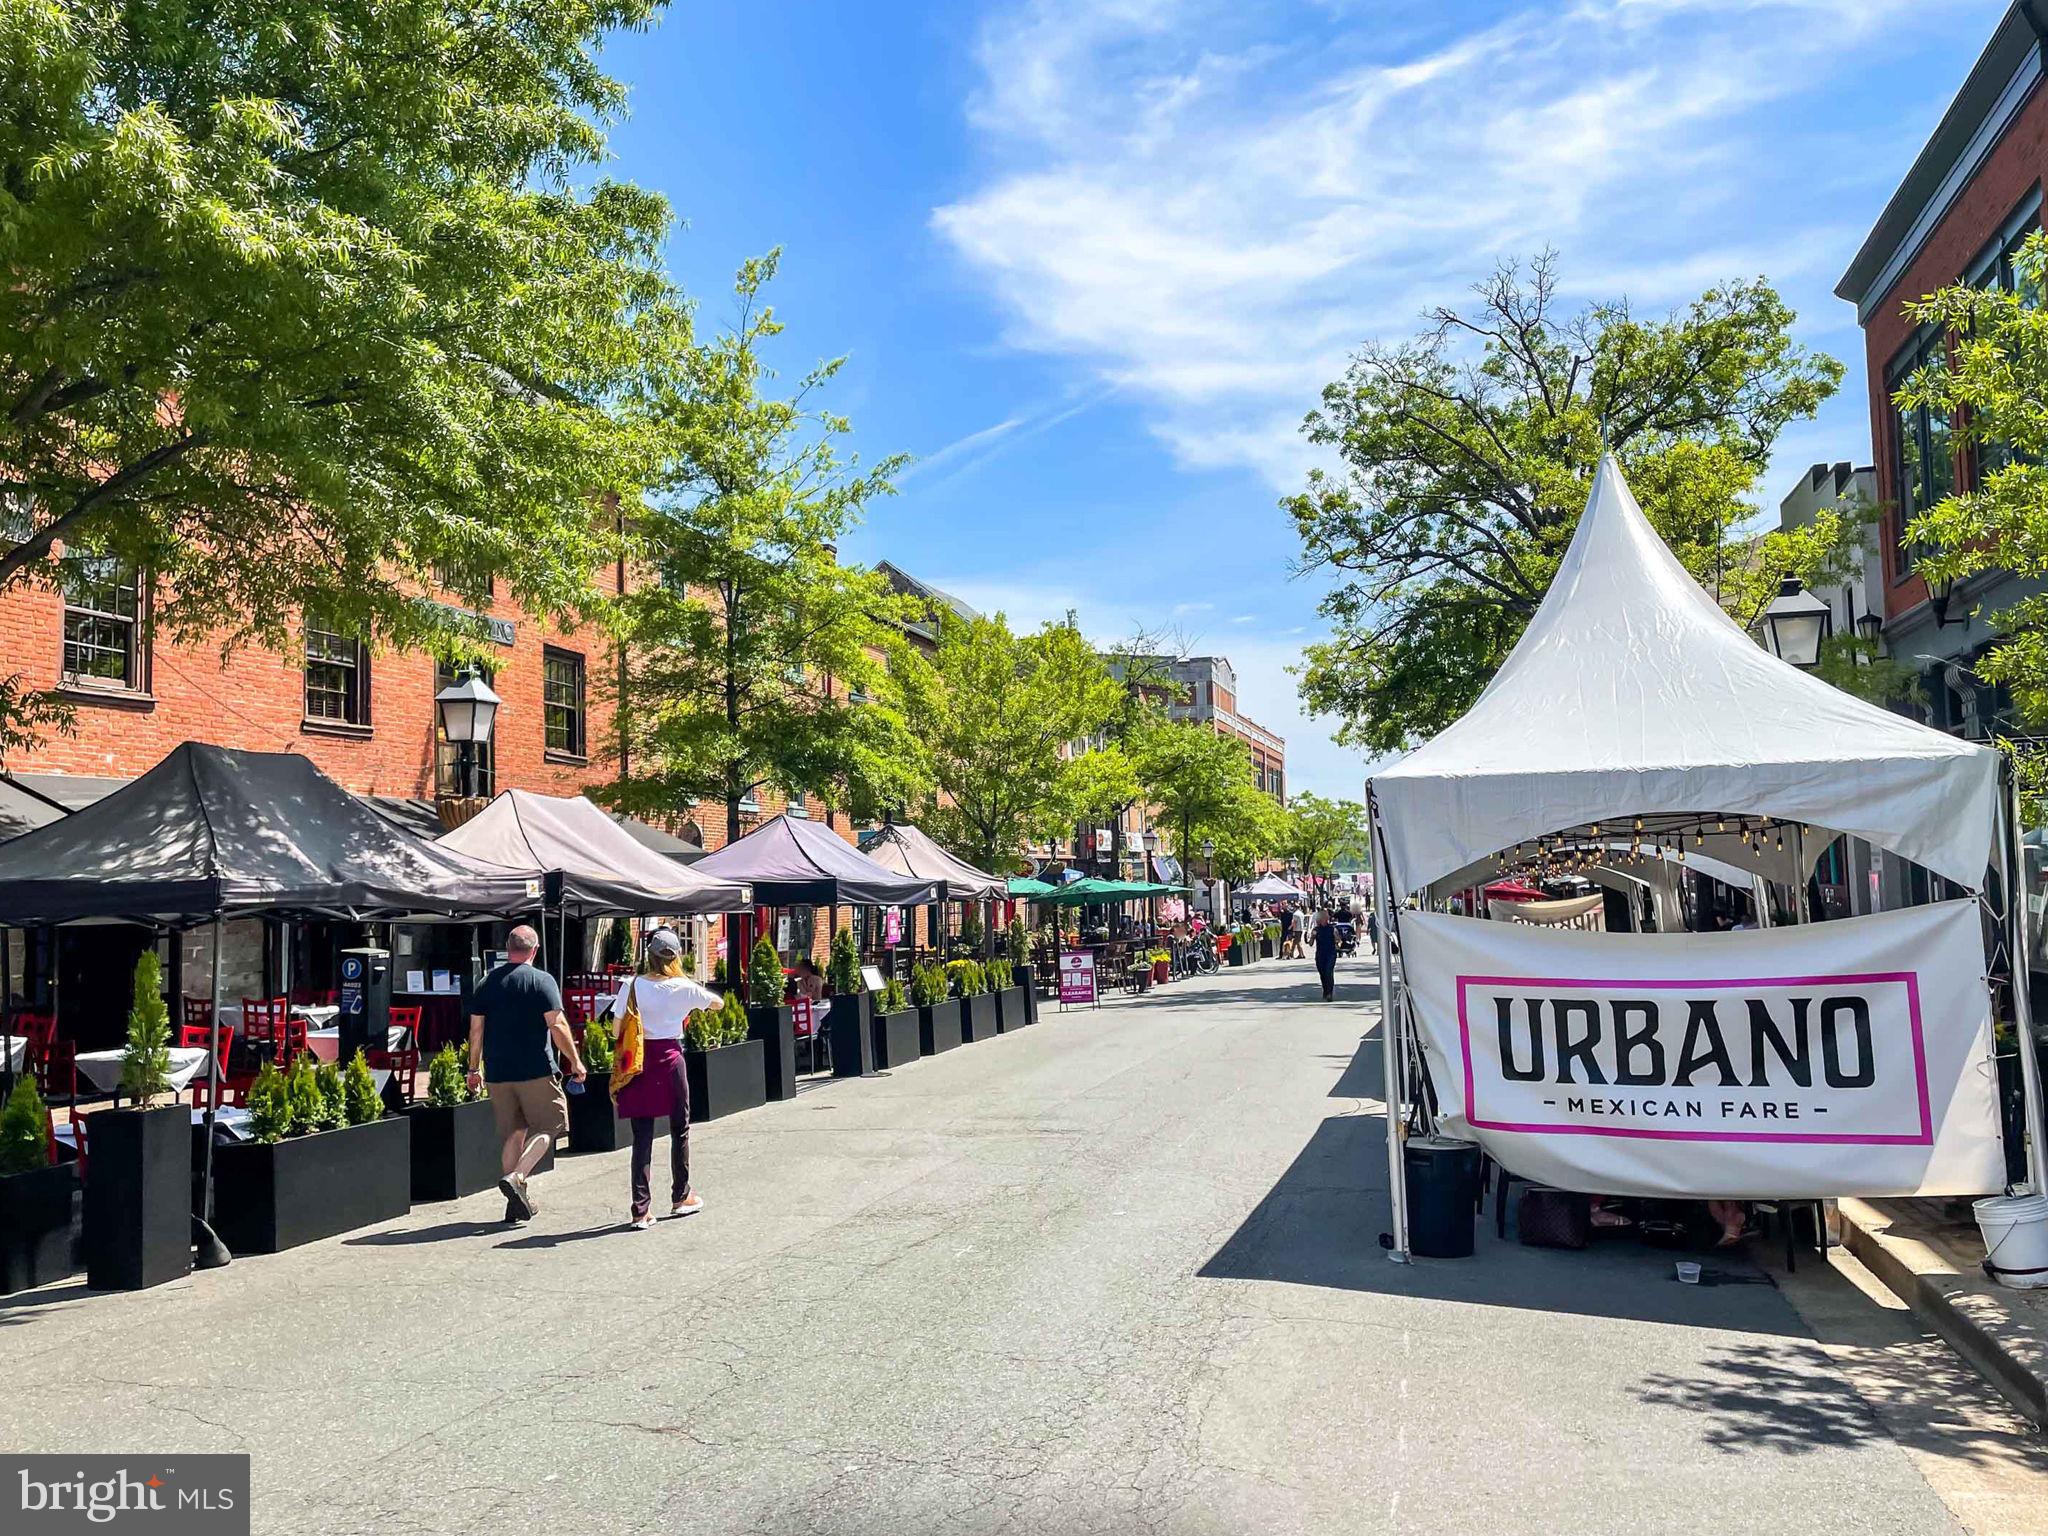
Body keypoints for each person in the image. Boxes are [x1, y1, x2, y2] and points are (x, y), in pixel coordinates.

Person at [467, 923, 584, 1224]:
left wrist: (473, 1069)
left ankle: (514, 1204)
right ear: (535, 950)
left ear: (508, 950)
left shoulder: (487, 982)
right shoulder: (541, 981)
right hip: (535, 1069)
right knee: (550, 1126)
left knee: (514, 1132)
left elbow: (476, 1030)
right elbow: (557, 1025)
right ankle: (517, 1177)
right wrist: (576, 1061)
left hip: (497, 1072)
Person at [609, 928, 716, 1230]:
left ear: (650, 955)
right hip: (671, 1059)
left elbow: (617, 1031)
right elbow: (716, 1003)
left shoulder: (631, 986)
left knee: (641, 1136)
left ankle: (640, 1210)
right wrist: (689, 1002)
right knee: (679, 1128)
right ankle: (681, 1196)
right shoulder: (683, 987)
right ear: (676, 957)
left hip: (640, 1060)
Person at [1312, 909, 1339, 1002]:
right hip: (1320, 954)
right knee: (1322, 974)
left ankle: (1329, 993)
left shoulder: (1332, 928)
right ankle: (1325, 990)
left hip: (1331, 953)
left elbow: (1338, 939)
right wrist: (1312, 936)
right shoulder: (1316, 930)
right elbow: (1310, 943)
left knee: (1328, 972)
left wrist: (1337, 939)